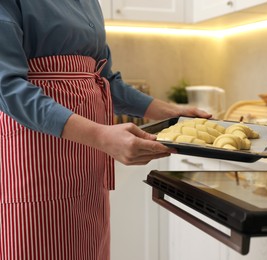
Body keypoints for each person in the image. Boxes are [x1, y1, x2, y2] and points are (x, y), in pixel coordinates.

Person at [0, 1, 211, 259]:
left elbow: (104, 80)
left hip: (88, 164)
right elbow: (6, 87)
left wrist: (169, 112)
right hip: (37, 159)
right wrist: (101, 135)